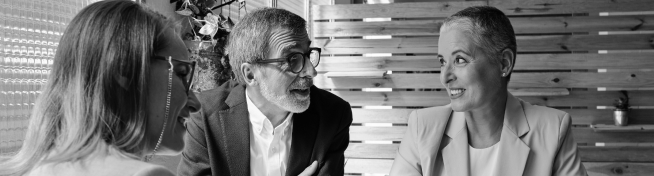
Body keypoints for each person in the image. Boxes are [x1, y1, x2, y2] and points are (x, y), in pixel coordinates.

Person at [0, 1, 201, 175]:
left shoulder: (35, 168)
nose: (196, 103)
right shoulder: (144, 174)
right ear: (126, 69)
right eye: (182, 73)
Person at [389, 6, 587, 176]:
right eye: (442, 62)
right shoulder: (421, 128)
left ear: (504, 63)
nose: (445, 77)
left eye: (460, 60)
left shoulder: (554, 130)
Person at [177, 8, 353, 176]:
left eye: (308, 55)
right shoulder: (204, 115)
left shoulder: (334, 115)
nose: (311, 71)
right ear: (251, 74)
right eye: (293, 59)